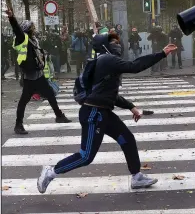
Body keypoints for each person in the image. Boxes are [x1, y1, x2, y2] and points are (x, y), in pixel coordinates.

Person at [36, 33, 177, 194]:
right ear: (105, 46)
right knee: (86, 156)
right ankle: (51, 172)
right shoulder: (107, 60)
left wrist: (131, 107)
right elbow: (135, 66)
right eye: (113, 42)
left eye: (117, 41)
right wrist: (162, 53)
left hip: (103, 112)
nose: (117, 44)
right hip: (93, 114)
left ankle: (137, 176)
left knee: (127, 139)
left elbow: (109, 94)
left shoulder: (106, 62)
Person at [5, 9, 71, 134]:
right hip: (30, 76)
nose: (34, 29)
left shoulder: (33, 39)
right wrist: (12, 18)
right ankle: (18, 125)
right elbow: (16, 29)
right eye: (33, 27)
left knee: (50, 94)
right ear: (28, 29)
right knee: (24, 101)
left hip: (38, 74)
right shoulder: (22, 38)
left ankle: (59, 116)